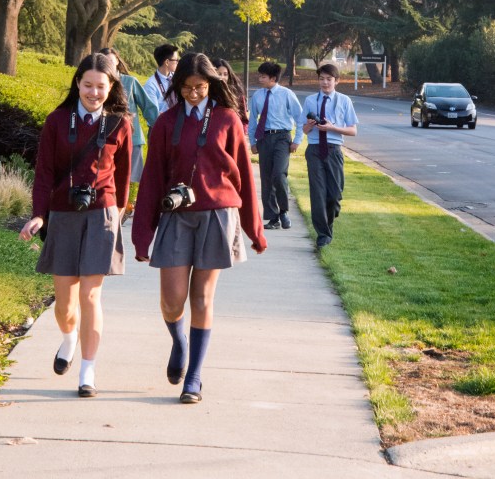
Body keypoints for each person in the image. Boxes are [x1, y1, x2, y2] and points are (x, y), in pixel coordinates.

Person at [132, 52, 266, 404]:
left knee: (203, 298)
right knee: (172, 301)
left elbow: (245, 178)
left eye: (200, 87)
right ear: (177, 87)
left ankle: (194, 376)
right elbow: (151, 180)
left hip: (218, 215)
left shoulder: (227, 120)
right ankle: (179, 341)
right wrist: (142, 234)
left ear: (212, 84)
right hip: (176, 217)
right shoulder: (164, 123)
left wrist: (255, 229)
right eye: (187, 88)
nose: (193, 94)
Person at [20, 53, 132, 398]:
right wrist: (40, 214)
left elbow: (125, 175)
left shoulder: (120, 123)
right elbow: (44, 174)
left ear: (111, 87)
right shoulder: (57, 121)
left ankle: (87, 371)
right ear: (77, 83)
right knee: (65, 304)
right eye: (88, 85)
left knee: (90, 295)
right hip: (63, 215)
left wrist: (118, 212)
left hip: (102, 214)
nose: (94, 93)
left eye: (101, 86)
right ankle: (69, 338)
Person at [301, 62, 358, 249]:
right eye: (321, 79)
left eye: (329, 79)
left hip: (334, 150)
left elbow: (352, 130)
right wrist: (310, 125)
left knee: (334, 196)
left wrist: (332, 127)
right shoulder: (310, 100)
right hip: (315, 150)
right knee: (317, 194)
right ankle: (323, 235)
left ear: (336, 81)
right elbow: (304, 130)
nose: (325, 83)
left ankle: (329, 221)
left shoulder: (344, 101)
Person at [247, 61, 304, 231]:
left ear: (273, 78)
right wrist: (253, 141)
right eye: (260, 75)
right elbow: (252, 121)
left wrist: (297, 140)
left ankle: (284, 212)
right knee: (266, 178)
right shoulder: (257, 96)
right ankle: (272, 218)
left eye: (263, 76)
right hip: (264, 138)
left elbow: (299, 118)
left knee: (279, 175)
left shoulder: (287, 94)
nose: (260, 79)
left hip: (282, 138)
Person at [100, 47, 159, 187]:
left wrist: (160, 130)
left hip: (133, 139)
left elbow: (148, 107)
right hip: (105, 139)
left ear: (117, 62)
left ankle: (129, 209)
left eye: (111, 61)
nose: (108, 64)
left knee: (131, 181)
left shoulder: (130, 82)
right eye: (104, 62)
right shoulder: (99, 84)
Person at [211, 57, 249, 131]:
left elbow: (244, 120)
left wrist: (240, 132)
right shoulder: (207, 93)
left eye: (225, 74)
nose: (222, 77)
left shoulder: (237, 93)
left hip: (233, 134)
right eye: (219, 74)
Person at [143, 43, 180, 115]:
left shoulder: (178, 78)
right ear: (167, 62)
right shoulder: (151, 85)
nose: (178, 62)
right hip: (161, 124)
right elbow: (153, 114)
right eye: (176, 60)